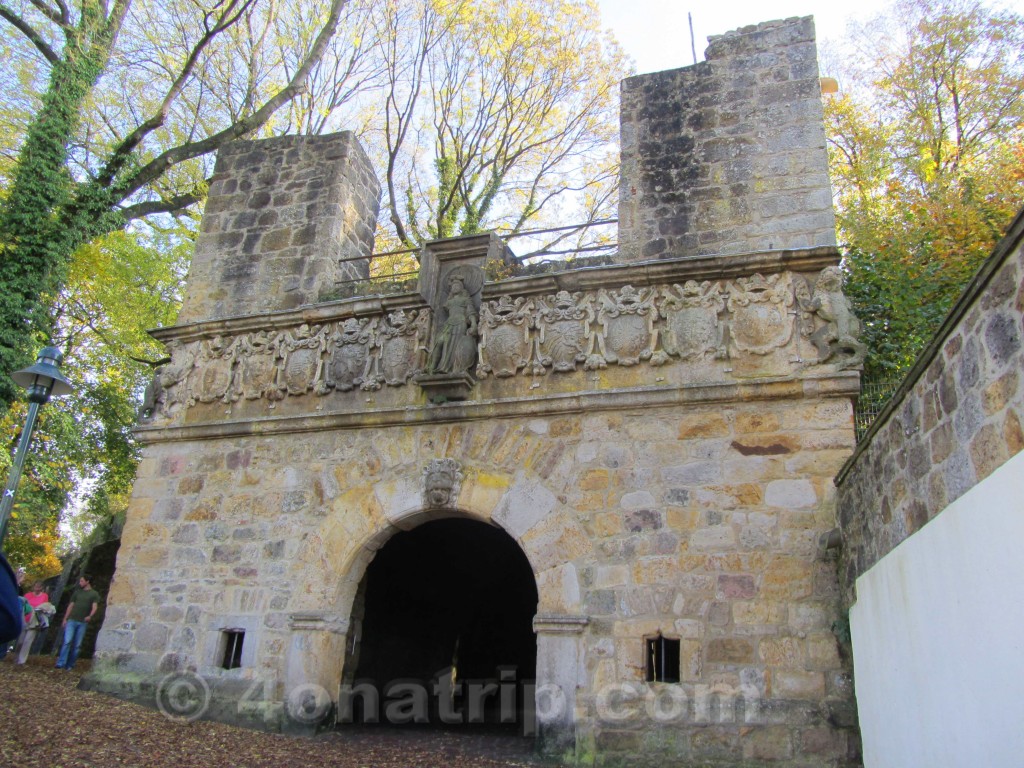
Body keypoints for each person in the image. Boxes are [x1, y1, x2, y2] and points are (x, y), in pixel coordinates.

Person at [427, 276, 478, 374]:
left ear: (461, 288)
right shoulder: (448, 303)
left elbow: (471, 312)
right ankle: (432, 367)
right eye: (453, 286)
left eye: (457, 286)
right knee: (440, 342)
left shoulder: (465, 300)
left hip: (460, 323)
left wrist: (474, 324)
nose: (454, 288)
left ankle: (451, 369)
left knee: (455, 346)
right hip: (449, 324)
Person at [56, 574, 100, 670]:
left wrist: (90, 616)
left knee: (77, 645)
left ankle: (70, 664)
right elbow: (71, 606)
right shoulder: (77, 593)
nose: (80, 583)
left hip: (82, 622)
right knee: (67, 641)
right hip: (72, 620)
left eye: (82, 581)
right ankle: (61, 662)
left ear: (87, 582)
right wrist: (65, 618)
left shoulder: (94, 594)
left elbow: (94, 607)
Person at [15, 581, 50, 664]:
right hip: (25, 619)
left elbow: (45, 606)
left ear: (42, 588)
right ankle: (17, 656)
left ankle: (21, 661)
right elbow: (22, 605)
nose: (37, 588)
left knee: (27, 641)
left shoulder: (44, 596)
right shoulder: (27, 595)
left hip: (35, 621)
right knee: (20, 641)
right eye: (36, 586)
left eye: (39, 587)